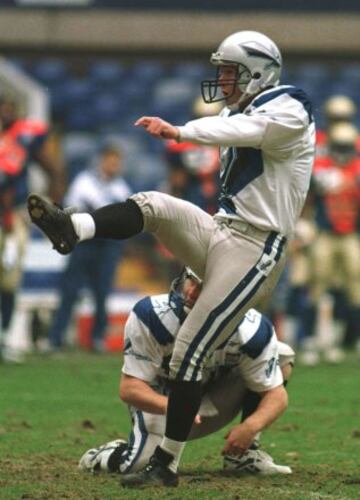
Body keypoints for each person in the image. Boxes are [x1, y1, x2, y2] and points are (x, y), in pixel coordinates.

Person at [27, 30, 315, 487]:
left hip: (257, 247)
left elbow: (250, 131)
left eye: (229, 71)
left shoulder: (291, 106)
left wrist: (182, 131)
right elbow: (235, 126)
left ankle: (167, 465)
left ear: (258, 72)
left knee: (189, 351)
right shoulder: (236, 109)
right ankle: (74, 228)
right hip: (224, 228)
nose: (221, 80)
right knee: (152, 205)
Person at [78, 267, 294, 478]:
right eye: (191, 280)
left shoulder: (252, 330)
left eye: (203, 287)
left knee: (281, 356)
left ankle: (244, 455)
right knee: (138, 465)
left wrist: (251, 426)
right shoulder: (154, 317)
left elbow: (275, 395)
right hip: (164, 401)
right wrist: (176, 407)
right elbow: (130, 388)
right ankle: (106, 455)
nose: (190, 292)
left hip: (212, 397)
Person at [47, 144, 132, 352]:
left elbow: (127, 216)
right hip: (84, 242)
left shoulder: (121, 187)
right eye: (110, 160)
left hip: (107, 244)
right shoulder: (84, 182)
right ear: (102, 160)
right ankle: (55, 338)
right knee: (70, 290)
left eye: (116, 162)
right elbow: (71, 206)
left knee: (102, 292)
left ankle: (97, 338)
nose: (114, 166)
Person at [0, 91, 65, 362]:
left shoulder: (24, 136)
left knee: (9, 277)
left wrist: (54, 206)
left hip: (12, 218)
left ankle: (3, 337)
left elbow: (53, 168)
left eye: (8, 108)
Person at [300, 122, 360, 364]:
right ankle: (314, 339)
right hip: (325, 233)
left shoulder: (355, 168)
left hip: (350, 234)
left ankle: (350, 338)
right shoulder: (321, 167)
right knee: (318, 286)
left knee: (355, 287)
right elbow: (308, 198)